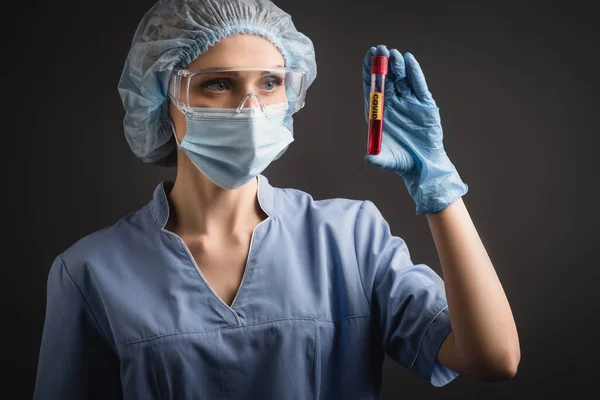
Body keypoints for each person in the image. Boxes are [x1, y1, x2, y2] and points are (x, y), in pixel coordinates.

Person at [33, 0, 520, 398]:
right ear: (162, 98)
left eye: (270, 83)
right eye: (217, 84)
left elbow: (493, 358)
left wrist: (437, 186)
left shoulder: (349, 239)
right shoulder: (91, 273)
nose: (250, 108)